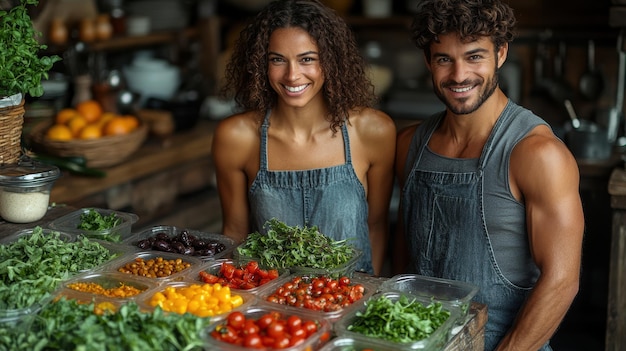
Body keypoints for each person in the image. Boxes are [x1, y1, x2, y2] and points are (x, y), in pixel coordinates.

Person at [394, 0, 584, 350]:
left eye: (474, 56)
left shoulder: (538, 154)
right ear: (428, 62)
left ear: (501, 53)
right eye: (444, 59)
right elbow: (406, 258)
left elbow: (561, 282)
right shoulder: (409, 146)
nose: (459, 75)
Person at [212, 0, 396, 275]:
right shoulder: (237, 137)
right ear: (260, 64)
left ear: (331, 61)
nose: (292, 75)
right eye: (277, 60)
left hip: (349, 302)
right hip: (274, 308)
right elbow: (236, 234)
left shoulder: (372, 131)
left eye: (307, 59)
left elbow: (376, 226)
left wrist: (365, 293)